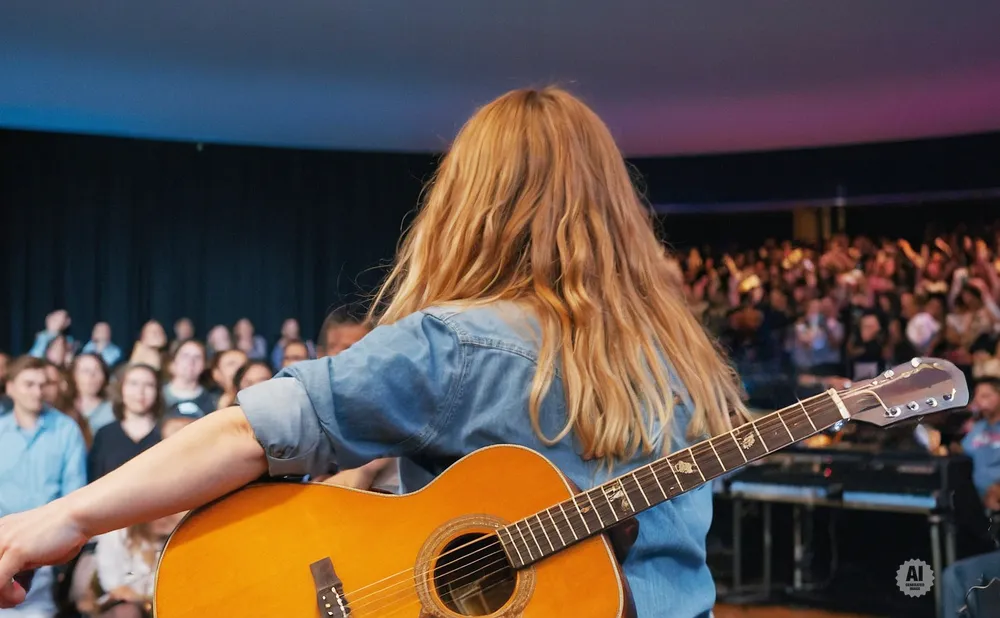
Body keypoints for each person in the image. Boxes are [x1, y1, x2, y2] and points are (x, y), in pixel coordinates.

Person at [0, 87, 746, 618]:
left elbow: (251, 432)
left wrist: (66, 518)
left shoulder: (458, 344)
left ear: (470, 204)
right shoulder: (682, 363)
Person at [0, 356, 87, 617]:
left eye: (42, 385)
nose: (37, 392)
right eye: (29, 384)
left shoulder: (66, 430)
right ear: (10, 388)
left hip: (47, 547)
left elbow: (75, 492)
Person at [942, 378, 1000, 617]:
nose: (981, 402)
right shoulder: (977, 429)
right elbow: (961, 450)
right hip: (976, 509)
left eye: (987, 396)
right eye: (978, 397)